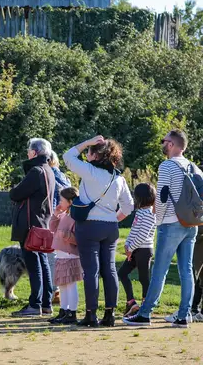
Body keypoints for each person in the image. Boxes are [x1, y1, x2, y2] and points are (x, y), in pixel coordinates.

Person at [124, 130, 203, 328]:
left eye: (164, 141)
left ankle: (145, 314)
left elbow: (162, 197)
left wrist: (157, 219)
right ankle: (184, 315)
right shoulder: (195, 167)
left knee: (160, 269)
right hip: (191, 223)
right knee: (186, 270)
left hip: (170, 222)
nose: (162, 143)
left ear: (171, 144)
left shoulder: (167, 165)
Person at [64, 136, 134, 327]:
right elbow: (128, 206)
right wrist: (113, 218)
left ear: (95, 155)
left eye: (89, 152)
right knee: (110, 269)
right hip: (110, 227)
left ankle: (91, 314)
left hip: (89, 226)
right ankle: (109, 314)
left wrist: (86, 142)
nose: (87, 155)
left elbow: (68, 156)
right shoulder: (118, 178)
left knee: (91, 271)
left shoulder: (89, 171)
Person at [9, 138, 56, 317]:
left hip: (30, 225)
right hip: (43, 222)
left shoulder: (35, 171)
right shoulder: (49, 170)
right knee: (42, 263)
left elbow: (16, 193)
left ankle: (35, 304)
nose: (27, 153)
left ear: (34, 152)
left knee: (34, 264)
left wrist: (15, 189)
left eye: (29, 150)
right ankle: (46, 303)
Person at [119, 183, 156, 318]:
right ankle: (132, 303)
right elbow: (134, 231)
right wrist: (127, 245)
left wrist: (131, 248)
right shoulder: (140, 212)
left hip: (144, 250)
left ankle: (145, 308)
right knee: (122, 273)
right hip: (135, 250)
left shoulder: (150, 214)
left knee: (143, 278)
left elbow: (142, 236)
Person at [48, 186, 82, 325]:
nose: (60, 202)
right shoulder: (63, 215)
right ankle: (63, 310)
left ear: (70, 201)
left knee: (70, 284)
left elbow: (77, 238)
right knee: (62, 284)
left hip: (70, 255)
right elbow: (51, 227)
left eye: (62, 200)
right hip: (61, 255)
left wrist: (66, 236)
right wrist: (55, 214)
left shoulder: (75, 217)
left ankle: (72, 312)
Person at [48, 145, 70, 304]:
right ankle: (60, 290)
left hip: (54, 218)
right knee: (59, 256)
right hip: (66, 219)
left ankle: (53, 291)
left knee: (50, 256)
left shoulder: (48, 175)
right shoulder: (63, 176)